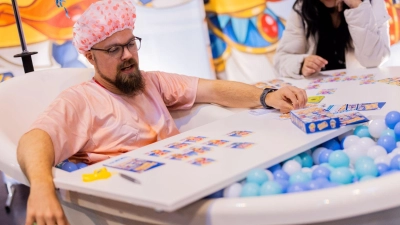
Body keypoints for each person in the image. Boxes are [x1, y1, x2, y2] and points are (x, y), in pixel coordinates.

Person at [16, 1, 307, 224]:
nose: (128, 55)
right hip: (133, 203)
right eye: (114, 49)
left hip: (183, 181)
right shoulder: (81, 100)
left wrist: (266, 96)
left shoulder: (149, 81)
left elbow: (212, 90)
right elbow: (35, 139)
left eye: (131, 43)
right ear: (90, 56)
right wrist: (41, 190)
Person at [273, 0, 391, 78]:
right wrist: (301, 64)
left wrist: (357, 6)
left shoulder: (373, 3)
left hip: (362, 90)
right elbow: (281, 60)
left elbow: (374, 60)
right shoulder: (302, 7)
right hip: (318, 95)